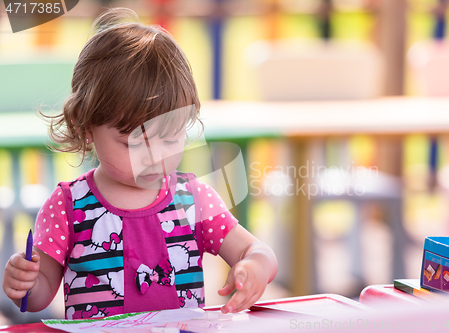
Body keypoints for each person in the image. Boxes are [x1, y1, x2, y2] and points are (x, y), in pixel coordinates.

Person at [2, 8, 277, 320]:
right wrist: (26, 282)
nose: (155, 155)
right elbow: (41, 293)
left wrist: (255, 265)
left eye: (171, 137)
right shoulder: (67, 207)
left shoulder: (194, 199)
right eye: (134, 142)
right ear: (85, 125)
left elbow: (255, 250)